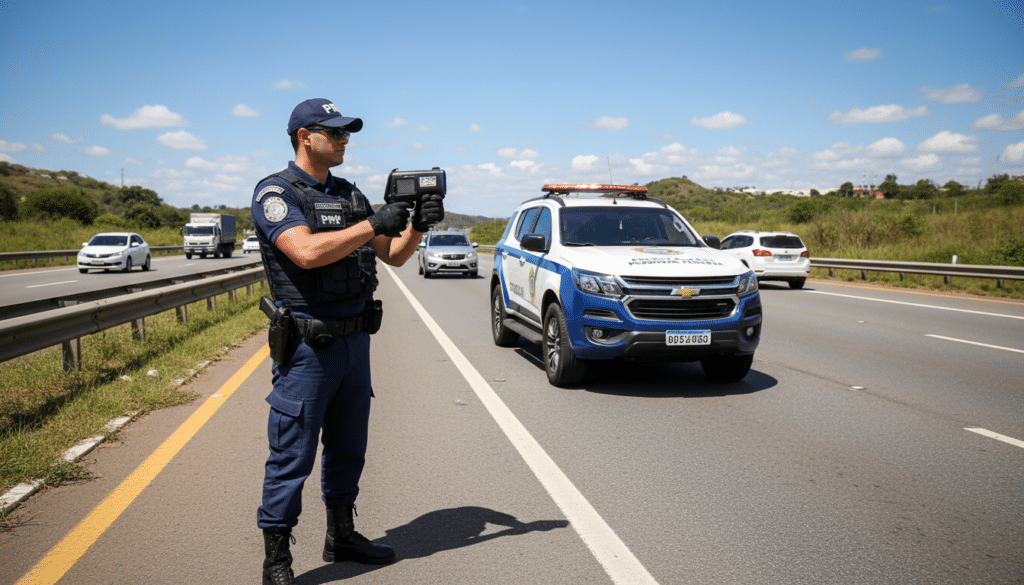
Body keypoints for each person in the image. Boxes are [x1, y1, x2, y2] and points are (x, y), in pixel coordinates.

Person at [251, 98, 443, 585]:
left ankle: (342, 534)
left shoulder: (352, 195)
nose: (344, 141)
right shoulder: (277, 192)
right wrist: (372, 224)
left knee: (348, 447)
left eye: (346, 133)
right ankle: (277, 557)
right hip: (308, 346)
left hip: (355, 342)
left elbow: (394, 257)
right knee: (293, 453)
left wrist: (418, 225)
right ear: (304, 137)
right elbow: (305, 251)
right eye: (334, 133)